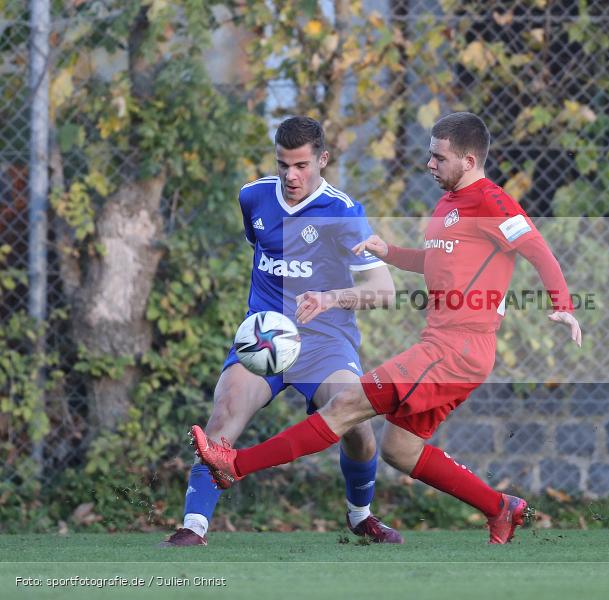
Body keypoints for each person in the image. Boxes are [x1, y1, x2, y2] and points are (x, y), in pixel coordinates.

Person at [189, 112, 583, 544]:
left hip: (456, 349)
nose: (429, 164)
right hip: (446, 346)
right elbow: (436, 264)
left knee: (346, 407)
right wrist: (389, 251)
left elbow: (536, 247)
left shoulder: (490, 199)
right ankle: (500, 508)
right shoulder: (449, 204)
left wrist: (562, 304)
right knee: (400, 450)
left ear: (469, 161)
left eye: (438, 157)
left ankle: (236, 465)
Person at [160, 116, 403, 546]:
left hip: (326, 342)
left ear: (323, 160)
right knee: (224, 412)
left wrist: (330, 298)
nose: (291, 176)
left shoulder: (344, 213)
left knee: (359, 427)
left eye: (302, 166)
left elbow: (384, 291)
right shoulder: (252, 198)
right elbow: (263, 253)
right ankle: (193, 527)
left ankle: (360, 515)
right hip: (266, 336)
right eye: (283, 165)